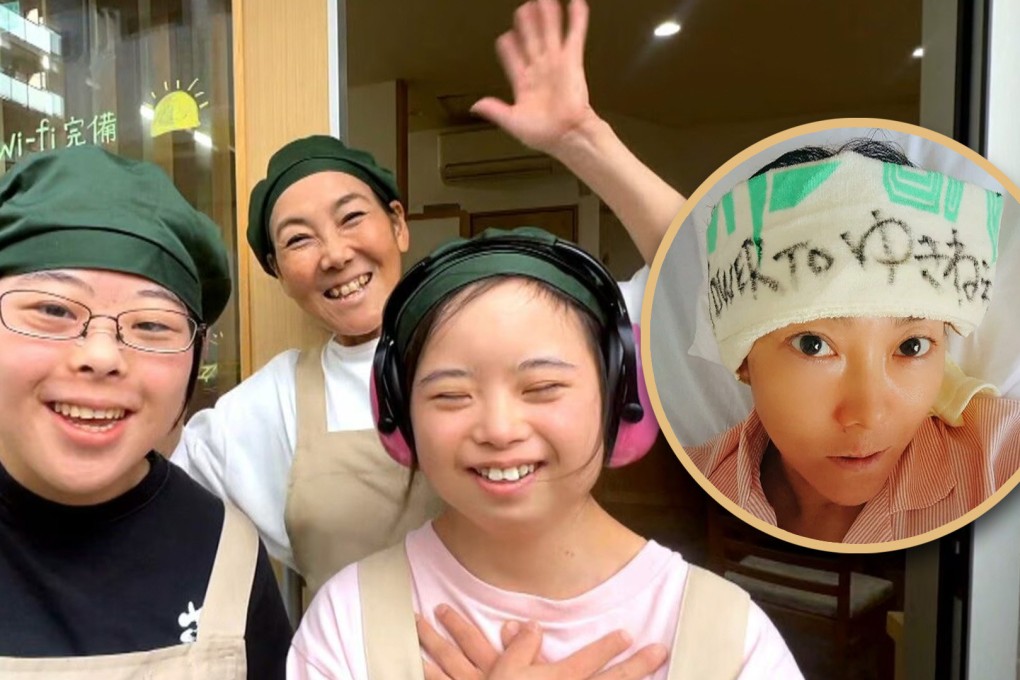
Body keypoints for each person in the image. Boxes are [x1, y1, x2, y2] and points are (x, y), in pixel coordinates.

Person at [170, 0, 684, 597]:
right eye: (299, 240)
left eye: (351, 217)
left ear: (398, 226)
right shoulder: (271, 407)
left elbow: (693, 278)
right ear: (279, 272)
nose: (334, 253)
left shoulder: (525, 324)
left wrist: (583, 139)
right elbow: (156, 495)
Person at [287, 227, 802, 679]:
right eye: (451, 396)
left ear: (623, 399)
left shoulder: (727, 637)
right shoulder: (347, 621)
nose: (498, 428)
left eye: (542, 387)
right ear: (398, 415)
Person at [0, 146, 291, 677]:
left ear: (196, 358)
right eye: (52, 310)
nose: (102, 355)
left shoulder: (226, 550)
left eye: (152, 325)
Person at [685, 139, 1020, 544]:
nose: (869, 414)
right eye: (813, 345)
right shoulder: (684, 490)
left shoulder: (999, 465)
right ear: (742, 359)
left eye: (912, 346)